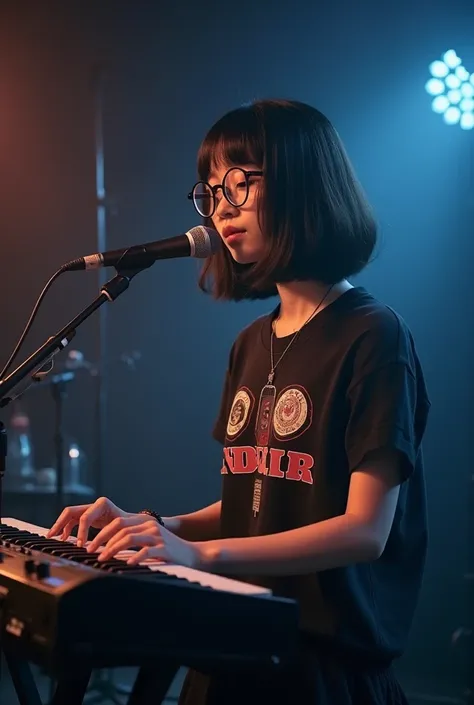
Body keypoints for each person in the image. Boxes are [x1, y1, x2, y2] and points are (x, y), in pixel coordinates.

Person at [47, 99, 430, 704]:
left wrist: (198, 553)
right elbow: (253, 501)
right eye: (211, 191)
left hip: (322, 670)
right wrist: (153, 526)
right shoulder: (252, 343)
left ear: (305, 182)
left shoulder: (372, 334)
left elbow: (365, 531)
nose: (222, 207)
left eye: (241, 183)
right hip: (235, 646)